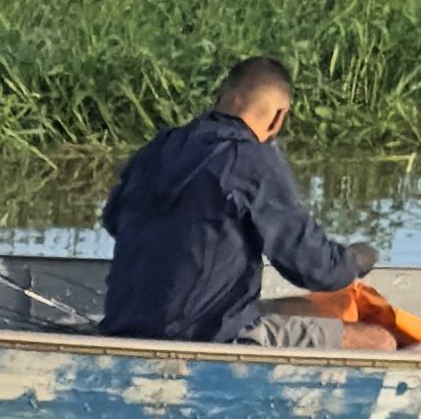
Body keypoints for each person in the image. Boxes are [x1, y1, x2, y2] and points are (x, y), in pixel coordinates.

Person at [99, 59, 374, 345]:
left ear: (222, 97)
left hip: (123, 324)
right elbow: (316, 269)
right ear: (279, 116)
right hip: (209, 335)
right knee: (379, 341)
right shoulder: (252, 159)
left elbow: (113, 220)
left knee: (311, 309)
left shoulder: (157, 148)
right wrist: (355, 260)